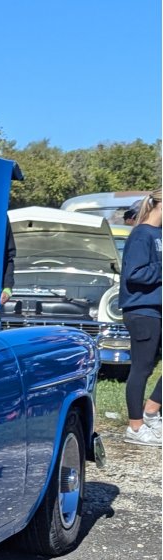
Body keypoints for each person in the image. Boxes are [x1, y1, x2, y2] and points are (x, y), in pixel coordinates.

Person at [120, 188, 163, 447]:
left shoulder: (159, 235)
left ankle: (152, 410)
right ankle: (135, 428)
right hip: (142, 310)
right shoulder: (141, 235)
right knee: (142, 368)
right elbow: (134, 274)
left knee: (145, 367)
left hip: (157, 309)